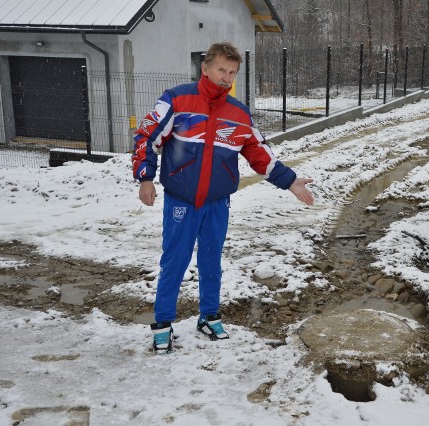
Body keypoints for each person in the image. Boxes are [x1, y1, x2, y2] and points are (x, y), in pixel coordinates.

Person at [131, 41, 314, 354]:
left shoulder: (239, 114)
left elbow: (260, 154)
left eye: (232, 72)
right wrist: (145, 177)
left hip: (217, 202)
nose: (226, 77)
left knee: (211, 261)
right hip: (181, 200)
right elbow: (147, 136)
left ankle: (209, 316)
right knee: (175, 261)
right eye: (221, 69)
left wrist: (290, 181)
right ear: (205, 68)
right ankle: (162, 323)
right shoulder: (177, 99)